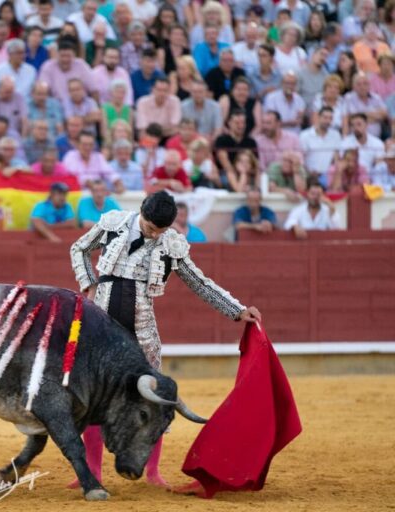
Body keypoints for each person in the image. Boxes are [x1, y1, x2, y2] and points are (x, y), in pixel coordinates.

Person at [69, 190, 261, 489]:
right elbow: (79, 248)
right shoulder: (113, 223)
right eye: (149, 228)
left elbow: (199, 282)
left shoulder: (171, 243)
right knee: (96, 398)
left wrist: (236, 310)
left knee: (154, 400)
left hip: (143, 332)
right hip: (102, 326)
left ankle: (153, 472)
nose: (153, 234)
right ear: (141, 212)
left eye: (160, 231)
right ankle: (93, 472)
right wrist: (88, 284)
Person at [300, 106, 341, 186]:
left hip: (328, 177)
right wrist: (309, 173)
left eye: (330, 118)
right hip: (309, 176)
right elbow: (301, 158)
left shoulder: (336, 135)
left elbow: (336, 158)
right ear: (318, 117)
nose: (328, 121)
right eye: (325, 117)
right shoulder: (305, 135)